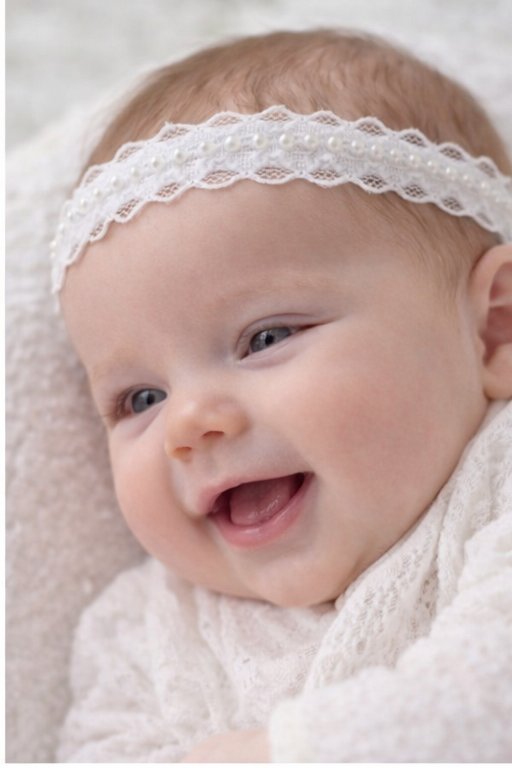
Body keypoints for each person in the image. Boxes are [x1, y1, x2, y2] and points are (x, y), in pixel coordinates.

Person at [53, 29, 512, 762]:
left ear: (494, 329)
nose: (189, 425)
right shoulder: (145, 630)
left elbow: (489, 701)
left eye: (265, 339)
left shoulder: (499, 493)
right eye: (140, 399)